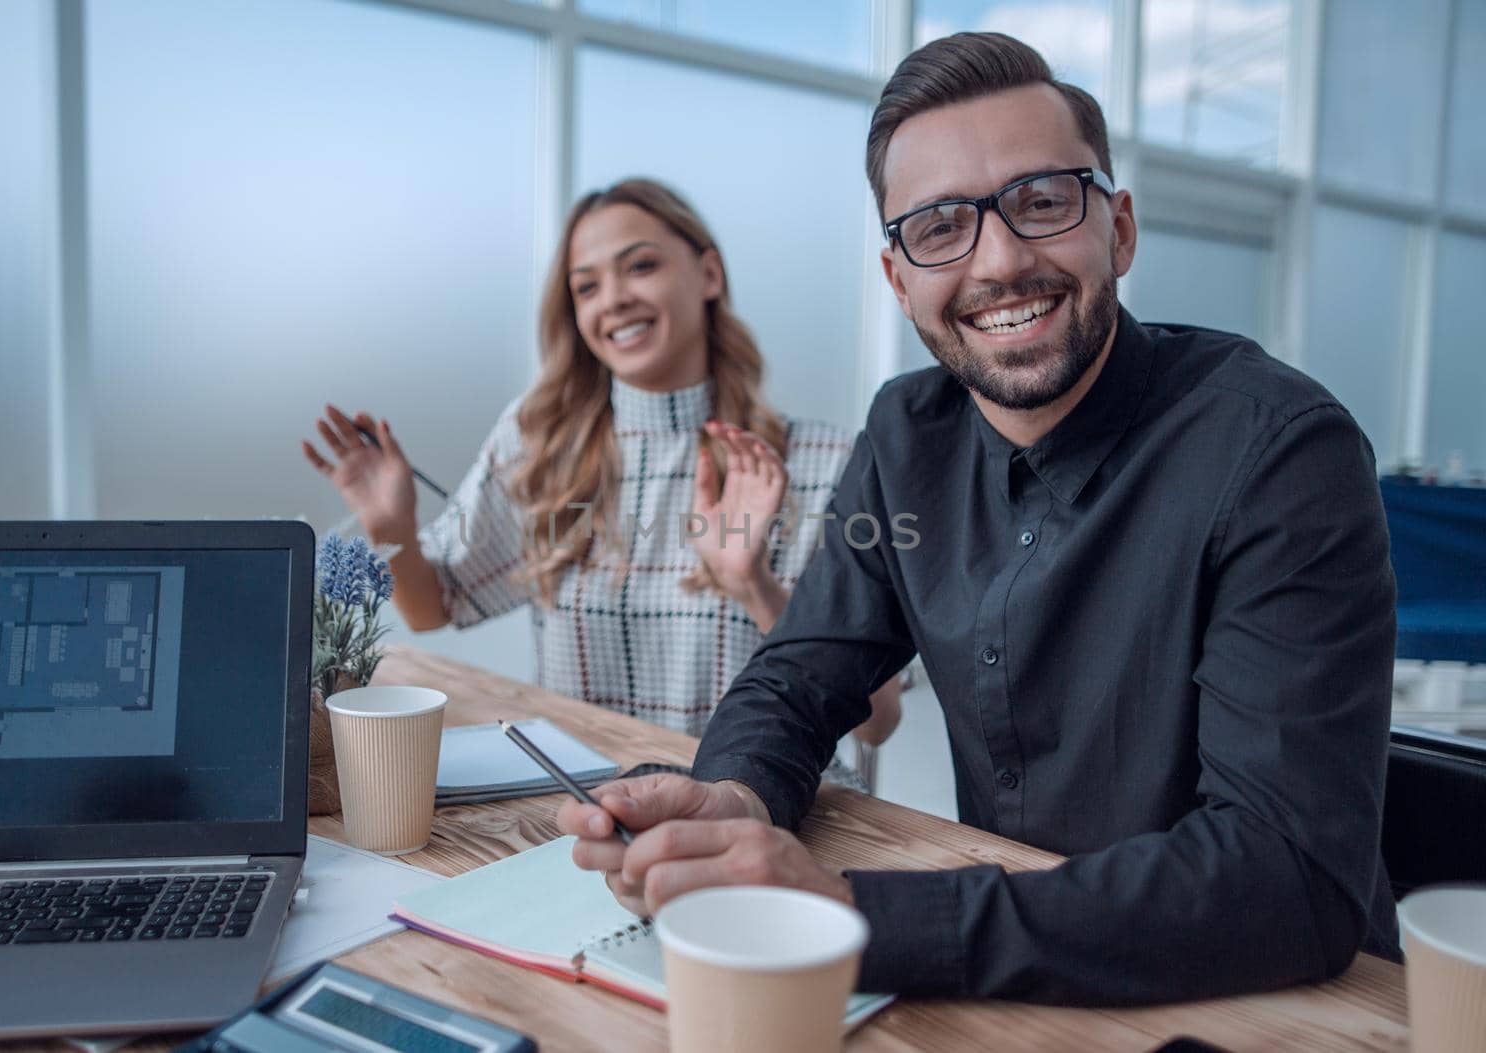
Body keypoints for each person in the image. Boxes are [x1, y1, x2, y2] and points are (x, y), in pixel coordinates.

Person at [558, 33, 1401, 1006]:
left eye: (1043, 202)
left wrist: (849, 918)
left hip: (1270, 1006)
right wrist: (734, 795)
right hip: (1018, 995)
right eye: (939, 227)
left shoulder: (1282, 452)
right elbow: (801, 673)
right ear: (897, 278)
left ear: (1117, 229)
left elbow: (1287, 880)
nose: (999, 261)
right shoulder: (904, 432)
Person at [303, 178, 902, 760]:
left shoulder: (822, 463)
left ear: (710, 275)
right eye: (585, 287)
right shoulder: (540, 444)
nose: (612, 299)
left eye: (640, 266)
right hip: (593, 814)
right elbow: (432, 608)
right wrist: (391, 525)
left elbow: (877, 722)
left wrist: (755, 586)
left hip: (761, 815)